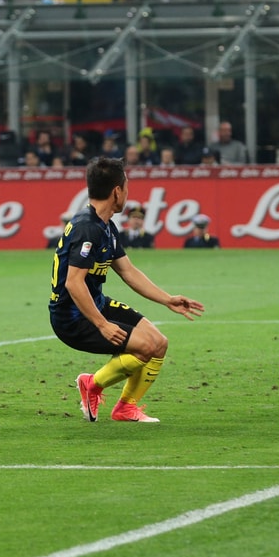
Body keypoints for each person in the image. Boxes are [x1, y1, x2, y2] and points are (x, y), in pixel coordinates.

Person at [55, 157, 205, 423]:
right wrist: (102, 325)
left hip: (96, 303)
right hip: (73, 317)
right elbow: (73, 283)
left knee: (159, 343)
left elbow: (128, 271)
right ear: (117, 191)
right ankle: (91, 384)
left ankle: (125, 407)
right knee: (144, 347)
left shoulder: (106, 226)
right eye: (127, 187)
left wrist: (167, 299)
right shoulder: (87, 229)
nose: (127, 193)